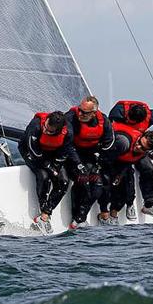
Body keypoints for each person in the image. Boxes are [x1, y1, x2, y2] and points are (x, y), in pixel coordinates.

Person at [19, 111, 79, 234]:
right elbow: (33, 151)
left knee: (63, 182)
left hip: (53, 155)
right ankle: (42, 211)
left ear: (59, 129)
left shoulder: (68, 132)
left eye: (50, 131)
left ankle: (44, 216)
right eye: (46, 127)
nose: (46, 131)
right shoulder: (36, 125)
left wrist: (55, 166)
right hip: (33, 153)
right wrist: (48, 167)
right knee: (44, 176)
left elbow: (65, 151)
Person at [101, 100, 153, 222]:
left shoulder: (150, 117)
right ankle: (127, 205)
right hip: (123, 145)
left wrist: (143, 143)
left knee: (149, 168)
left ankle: (149, 204)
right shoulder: (117, 113)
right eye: (129, 119)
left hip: (136, 148)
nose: (131, 122)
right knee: (125, 173)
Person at [65, 96, 114, 229]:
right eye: (80, 110)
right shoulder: (70, 118)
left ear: (93, 113)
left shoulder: (103, 120)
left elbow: (108, 143)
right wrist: (78, 164)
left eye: (85, 112)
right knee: (83, 181)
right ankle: (77, 218)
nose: (80, 114)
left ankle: (79, 218)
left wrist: (100, 160)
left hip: (91, 155)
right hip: (71, 155)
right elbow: (67, 145)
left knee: (98, 185)